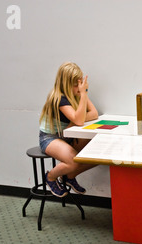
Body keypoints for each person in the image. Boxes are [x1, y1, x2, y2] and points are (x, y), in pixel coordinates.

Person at [39, 62, 99, 197]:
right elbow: (79, 120)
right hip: (50, 138)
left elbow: (94, 114)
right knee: (73, 161)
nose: (79, 87)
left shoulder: (76, 94)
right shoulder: (58, 98)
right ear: (65, 84)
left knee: (97, 154)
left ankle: (69, 176)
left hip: (67, 136)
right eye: (75, 85)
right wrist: (83, 95)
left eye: (80, 83)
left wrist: (76, 118)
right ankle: (50, 177)